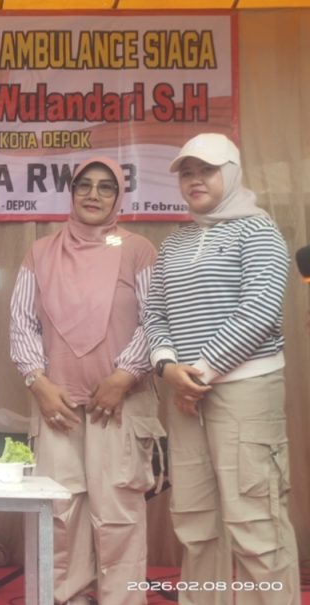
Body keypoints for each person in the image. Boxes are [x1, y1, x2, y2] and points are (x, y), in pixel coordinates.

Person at [143, 133, 301, 605]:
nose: (195, 180)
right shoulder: (174, 243)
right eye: (187, 173)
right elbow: (155, 313)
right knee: (196, 523)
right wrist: (166, 366)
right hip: (186, 394)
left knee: (256, 524)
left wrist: (198, 373)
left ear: (230, 172)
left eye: (206, 170)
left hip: (243, 390)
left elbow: (259, 312)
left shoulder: (260, 232)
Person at [9, 156, 163, 605]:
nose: (94, 195)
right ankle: (67, 597)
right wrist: (37, 381)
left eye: (106, 187)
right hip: (56, 404)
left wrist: (124, 376)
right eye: (84, 185)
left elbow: (155, 319)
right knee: (61, 510)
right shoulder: (41, 252)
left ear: (119, 197)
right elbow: (21, 322)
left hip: (122, 402)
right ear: (72, 192)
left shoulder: (138, 249)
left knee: (118, 511)